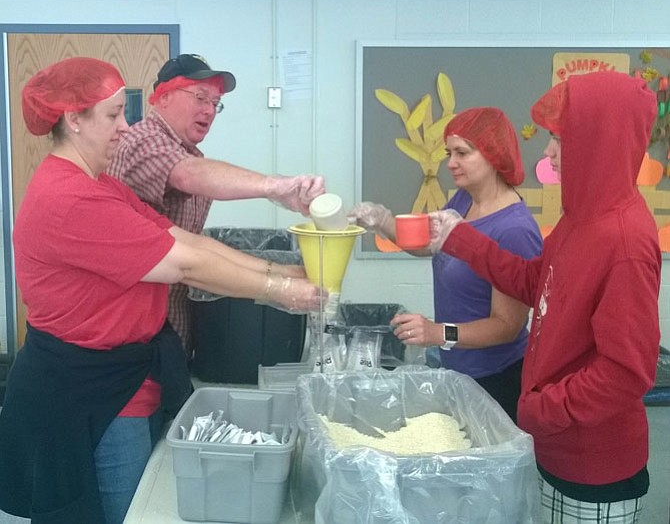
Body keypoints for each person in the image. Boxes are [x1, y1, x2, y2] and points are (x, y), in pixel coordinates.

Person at [0, 57, 325, 524]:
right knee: (125, 513)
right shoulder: (70, 197)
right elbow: (185, 265)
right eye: (112, 115)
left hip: (129, 373)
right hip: (88, 387)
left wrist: (282, 271)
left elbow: (185, 240)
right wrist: (277, 290)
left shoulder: (103, 185)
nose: (123, 127)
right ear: (73, 120)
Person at [430, 72, 660, 523]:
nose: (548, 152)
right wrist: (462, 239)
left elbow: (627, 373)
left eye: (559, 139)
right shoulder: (579, 218)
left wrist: (540, 408)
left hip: (594, 464)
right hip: (555, 445)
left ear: (600, 141)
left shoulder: (624, 241)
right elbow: (538, 283)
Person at [107, 53, 325, 356]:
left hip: (170, 323)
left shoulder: (188, 153)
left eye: (215, 103)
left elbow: (194, 243)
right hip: (136, 330)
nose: (209, 110)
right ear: (163, 97)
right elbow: (187, 175)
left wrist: (283, 272)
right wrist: (276, 187)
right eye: (200, 97)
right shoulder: (143, 141)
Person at [351, 107, 543, 422]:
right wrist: (383, 221)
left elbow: (506, 327)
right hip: (458, 369)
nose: (450, 163)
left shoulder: (514, 230)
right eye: (448, 152)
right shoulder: (463, 201)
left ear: (494, 155)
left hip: (496, 379)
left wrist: (437, 332)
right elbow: (428, 245)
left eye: (462, 153)